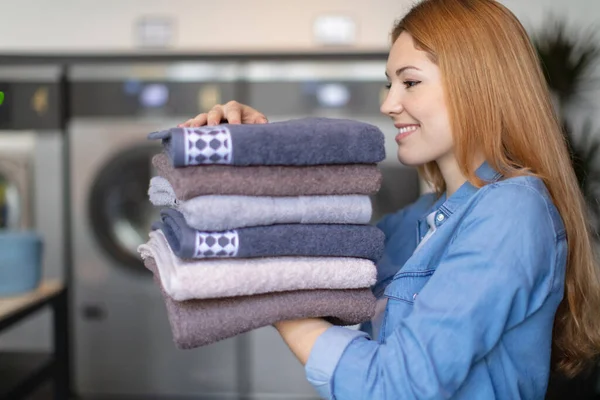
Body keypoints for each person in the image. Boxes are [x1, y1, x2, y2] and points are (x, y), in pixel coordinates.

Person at [179, 0, 600, 398]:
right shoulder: (419, 220)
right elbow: (307, 264)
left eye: (410, 82)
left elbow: (395, 387)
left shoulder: (511, 211)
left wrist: (272, 295)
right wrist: (254, 153)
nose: (388, 103)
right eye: (389, 83)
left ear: (477, 84)